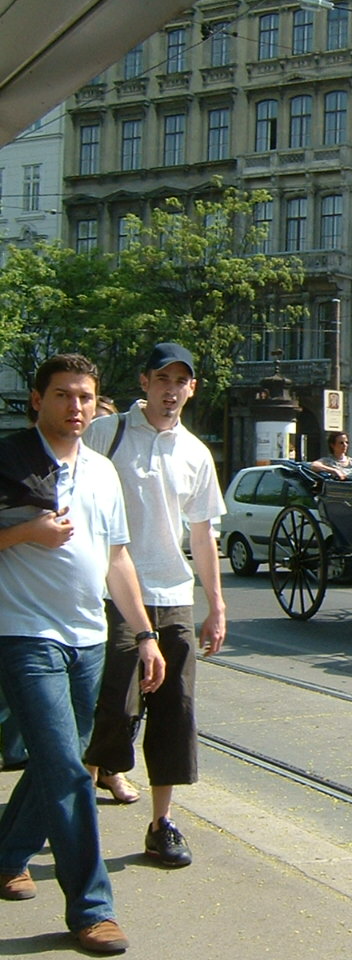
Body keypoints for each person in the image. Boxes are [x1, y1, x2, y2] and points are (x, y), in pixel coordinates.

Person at [0, 353, 164, 954]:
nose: (76, 408)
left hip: (87, 638)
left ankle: (6, 855)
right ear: (37, 400)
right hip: (22, 634)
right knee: (69, 770)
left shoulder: (100, 470)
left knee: (58, 759)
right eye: (64, 396)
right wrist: (25, 533)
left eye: (86, 398)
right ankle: (92, 909)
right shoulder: (10, 459)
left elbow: (117, 557)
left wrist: (144, 634)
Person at [81, 342, 226, 869]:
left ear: (192, 388)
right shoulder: (106, 432)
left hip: (172, 597)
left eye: (180, 382)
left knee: (175, 713)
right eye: (162, 380)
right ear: (144, 383)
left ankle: (162, 823)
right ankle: (83, 805)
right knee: (114, 705)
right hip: (111, 593)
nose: (171, 391)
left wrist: (215, 604)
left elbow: (203, 533)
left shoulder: (194, 452)